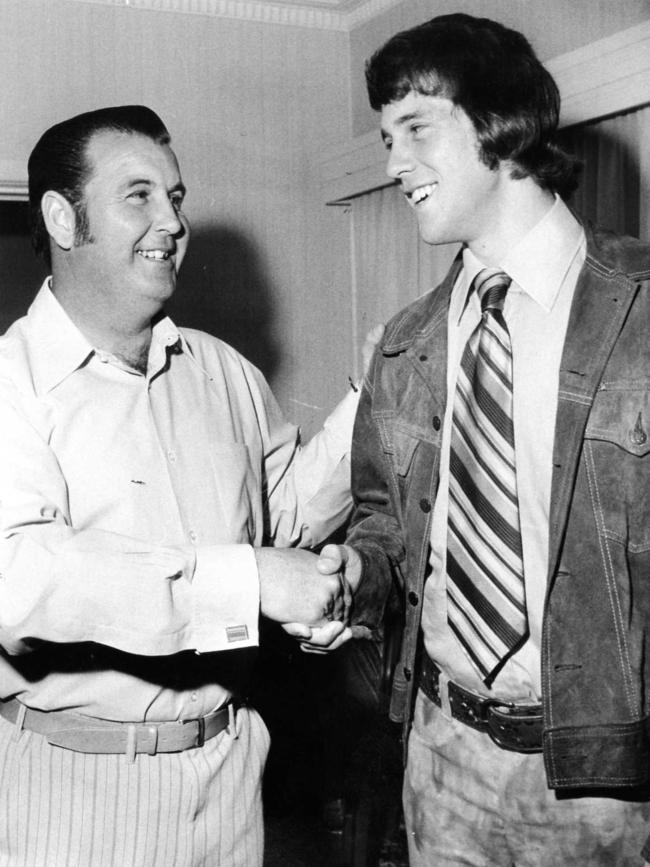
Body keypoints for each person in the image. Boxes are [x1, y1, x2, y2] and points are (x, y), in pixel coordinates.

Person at [310, 12, 650, 866]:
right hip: (440, 755)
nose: (392, 164)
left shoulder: (641, 310)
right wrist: (360, 571)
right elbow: (388, 523)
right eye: (387, 138)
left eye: (415, 129)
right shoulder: (405, 341)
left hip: (606, 784)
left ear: (502, 122)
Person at [0, 104, 360, 867]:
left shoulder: (223, 370)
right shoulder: (11, 384)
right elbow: (20, 579)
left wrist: (377, 396)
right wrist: (251, 580)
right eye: (139, 196)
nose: (171, 220)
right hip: (79, 789)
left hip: (230, 770)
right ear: (63, 220)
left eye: (176, 197)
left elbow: (284, 512)